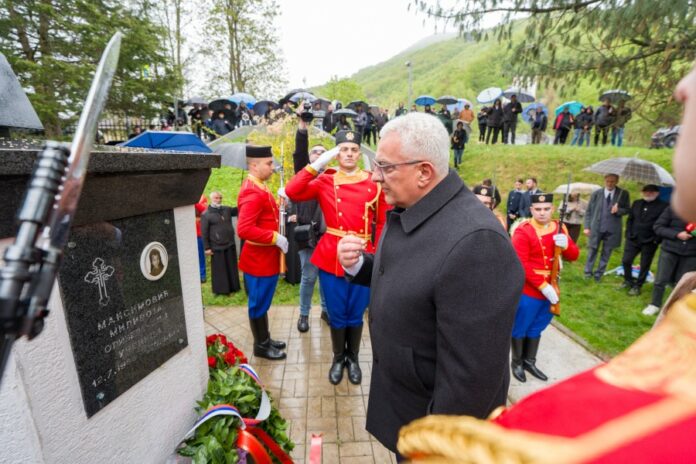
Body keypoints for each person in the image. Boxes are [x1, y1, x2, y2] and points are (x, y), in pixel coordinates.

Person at [336, 112, 524, 456]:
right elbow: (416, 277)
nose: (376, 177)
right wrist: (360, 266)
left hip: (433, 434)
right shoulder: (417, 206)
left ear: (424, 172)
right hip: (407, 407)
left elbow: (471, 382)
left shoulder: (479, 244)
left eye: (385, 167)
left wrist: (433, 451)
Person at [284, 129, 388, 386]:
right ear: (336, 153)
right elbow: (292, 191)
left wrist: (377, 254)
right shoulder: (325, 181)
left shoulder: (373, 182)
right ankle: (338, 358)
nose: (349, 154)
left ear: (359, 153)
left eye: (354, 150)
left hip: (363, 254)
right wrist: (317, 164)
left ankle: (353, 358)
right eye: (343, 149)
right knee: (337, 312)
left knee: (356, 312)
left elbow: (383, 222)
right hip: (332, 253)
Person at [510, 193, 579, 382]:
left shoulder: (560, 227)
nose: (542, 213)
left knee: (537, 327)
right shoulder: (523, 231)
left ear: (553, 209)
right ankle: (517, 363)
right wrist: (542, 286)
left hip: (552, 288)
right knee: (520, 327)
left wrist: (566, 245)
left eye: (546, 209)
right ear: (531, 210)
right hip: (530, 291)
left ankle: (529, 361)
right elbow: (521, 264)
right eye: (538, 209)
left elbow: (574, 256)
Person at [237, 145, 288, 360]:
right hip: (258, 262)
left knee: (263, 303)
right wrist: (275, 237)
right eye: (269, 163)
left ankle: (265, 338)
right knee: (258, 304)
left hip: (265, 259)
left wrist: (279, 203)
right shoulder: (252, 191)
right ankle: (261, 346)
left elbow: (264, 215)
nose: (272, 166)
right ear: (254, 165)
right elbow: (244, 229)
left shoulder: (259, 186)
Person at [287, 109, 329, 332]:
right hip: (308, 235)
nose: (319, 154)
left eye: (323, 152)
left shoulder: (332, 177)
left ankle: (326, 311)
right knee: (309, 277)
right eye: (315, 152)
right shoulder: (304, 176)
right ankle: (304, 314)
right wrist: (303, 128)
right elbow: (300, 153)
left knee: (326, 278)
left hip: (328, 237)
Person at [642, 206, 696, 315]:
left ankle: (674, 308)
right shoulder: (673, 208)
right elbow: (658, 227)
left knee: (683, 284)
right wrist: (677, 235)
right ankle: (654, 304)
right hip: (669, 250)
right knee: (661, 279)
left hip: (691, 254)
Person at [620, 184, 668, 296]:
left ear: (657, 193)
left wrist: (657, 240)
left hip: (650, 240)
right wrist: (628, 233)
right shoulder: (637, 203)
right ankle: (628, 280)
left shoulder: (664, 206)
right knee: (626, 260)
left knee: (645, 264)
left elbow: (664, 224)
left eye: (651, 192)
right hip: (633, 238)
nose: (648, 193)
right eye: (646, 191)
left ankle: (638, 286)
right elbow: (630, 219)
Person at [583, 174, 630, 282]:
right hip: (596, 227)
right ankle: (587, 273)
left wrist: (618, 210)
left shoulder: (623, 194)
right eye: (608, 181)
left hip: (612, 229)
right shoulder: (596, 193)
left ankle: (599, 274)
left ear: (617, 182)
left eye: (612, 181)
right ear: (604, 181)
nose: (610, 183)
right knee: (592, 250)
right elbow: (589, 211)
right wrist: (587, 226)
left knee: (607, 252)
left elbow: (627, 209)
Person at [201, 191, 241, 295]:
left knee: (231, 267)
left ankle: (234, 287)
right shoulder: (206, 214)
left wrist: (243, 201)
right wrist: (207, 248)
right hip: (217, 246)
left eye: (220, 198)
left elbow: (238, 210)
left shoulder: (226, 209)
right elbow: (204, 233)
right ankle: (222, 290)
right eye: (216, 198)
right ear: (211, 199)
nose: (218, 200)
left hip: (230, 243)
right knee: (220, 269)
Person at [195, 194, 208, 283]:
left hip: (199, 233)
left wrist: (192, 202)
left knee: (200, 256)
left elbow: (204, 210)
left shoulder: (202, 197)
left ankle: (202, 275)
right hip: (188, 233)